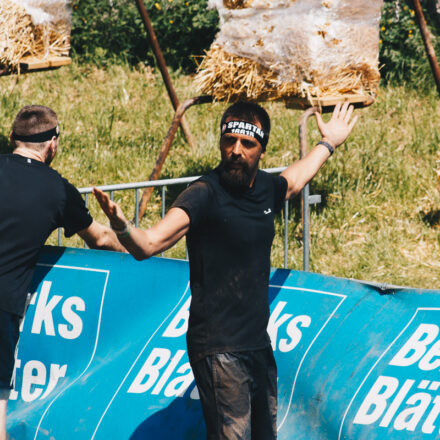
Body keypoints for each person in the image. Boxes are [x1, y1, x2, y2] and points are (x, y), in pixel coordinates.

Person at [93, 101, 358, 439]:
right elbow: (148, 245)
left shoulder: (266, 189)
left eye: (247, 144)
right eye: (229, 141)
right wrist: (122, 225)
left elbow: (294, 180)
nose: (236, 150)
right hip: (217, 347)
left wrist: (328, 144)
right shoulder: (203, 195)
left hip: (257, 345)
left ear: (262, 149)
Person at [0, 105, 126, 440]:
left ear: (12, 138)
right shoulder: (57, 189)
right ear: (53, 143)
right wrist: (139, 248)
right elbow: (100, 238)